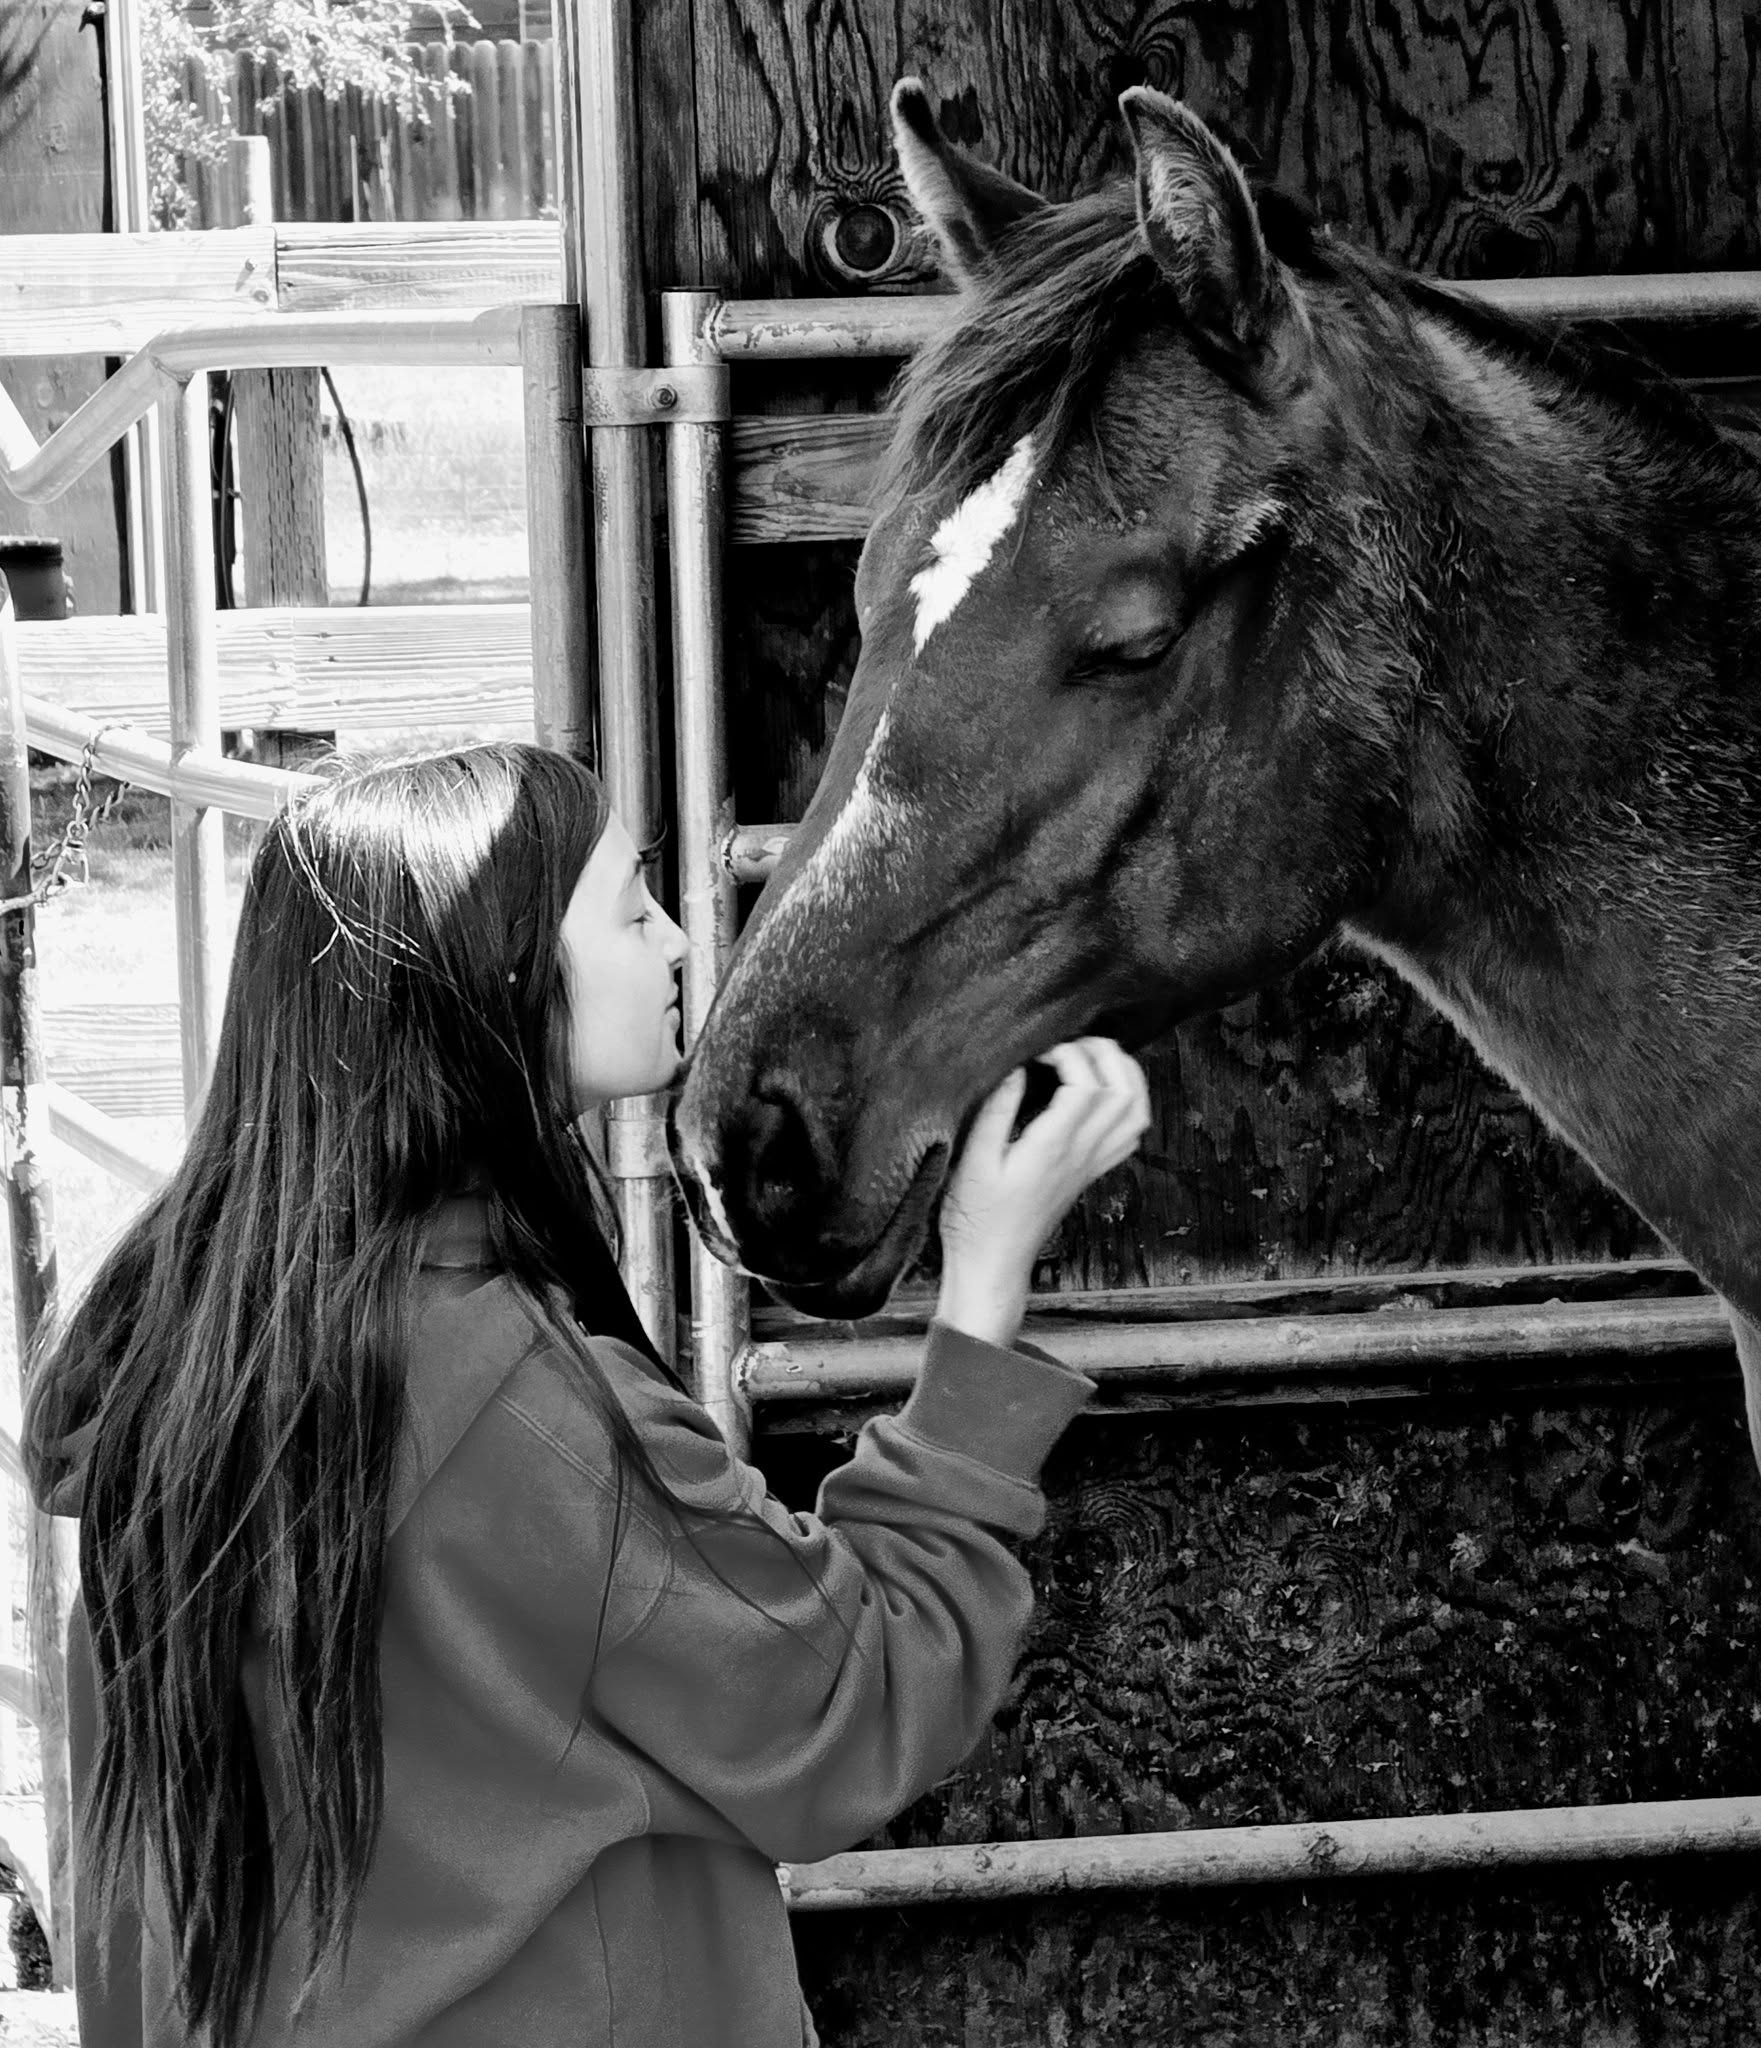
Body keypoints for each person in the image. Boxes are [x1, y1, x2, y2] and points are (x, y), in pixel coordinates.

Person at [22, 741, 1151, 2048]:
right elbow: (850, 1706)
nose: (679, 943)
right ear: (497, 979)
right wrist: (985, 1287)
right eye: (630, 907)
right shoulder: (510, 1397)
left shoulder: (184, 1347)